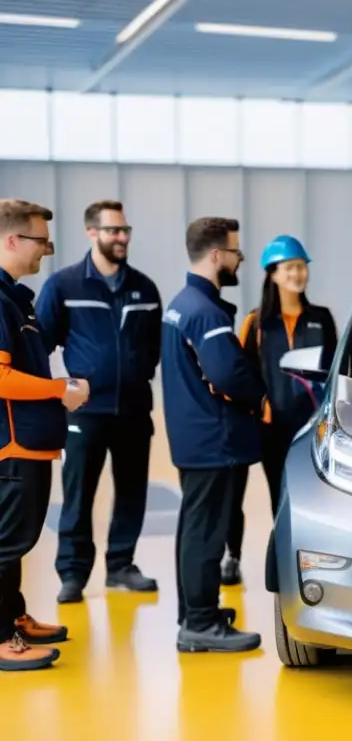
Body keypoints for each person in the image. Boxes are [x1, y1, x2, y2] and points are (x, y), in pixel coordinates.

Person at [35, 200, 162, 604]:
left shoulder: (144, 288)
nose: (121, 237)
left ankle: (121, 566)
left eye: (124, 230)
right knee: (79, 494)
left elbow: (153, 347)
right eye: (113, 231)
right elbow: (39, 345)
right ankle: (72, 573)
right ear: (92, 233)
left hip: (133, 409)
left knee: (131, 492)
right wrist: (60, 390)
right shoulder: (65, 285)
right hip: (85, 412)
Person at [161, 217, 265, 653]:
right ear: (217, 255)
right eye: (237, 252)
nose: (240, 259)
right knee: (206, 532)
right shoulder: (207, 314)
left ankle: (195, 613)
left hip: (193, 436)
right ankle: (201, 625)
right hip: (215, 438)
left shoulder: (181, 303)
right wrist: (263, 396)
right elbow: (228, 374)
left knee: (194, 528)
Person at [0, 199, 91, 671]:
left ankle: (12, 616)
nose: (46, 252)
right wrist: (60, 390)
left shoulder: (16, 299)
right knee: (4, 542)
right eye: (41, 241)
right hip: (11, 445)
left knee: (15, 542)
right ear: (12, 240)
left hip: (31, 442)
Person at [221, 235, 337, 586]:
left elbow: (332, 370)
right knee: (270, 495)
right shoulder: (256, 324)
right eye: (289, 268)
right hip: (269, 427)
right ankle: (234, 557)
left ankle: (304, 559)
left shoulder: (322, 319)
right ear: (272, 274)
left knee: (305, 497)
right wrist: (263, 406)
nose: (297, 274)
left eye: (301, 267)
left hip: (310, 427)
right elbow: (243, 372)